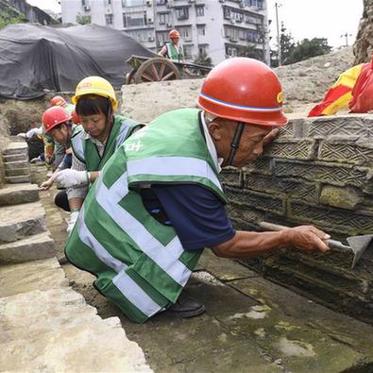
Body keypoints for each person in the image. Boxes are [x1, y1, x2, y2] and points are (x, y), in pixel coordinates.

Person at [64, 58, 330, 324]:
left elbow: (209, 154)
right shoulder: (188, 173)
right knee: (197, 234)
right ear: (217, 130)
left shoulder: (187, 120)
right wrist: (288, 237)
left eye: (262, 139)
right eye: (255, 141)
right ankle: (145, 291)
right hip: (105, 241)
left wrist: (253, 136)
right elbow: (226, 244)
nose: (259, 150)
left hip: (97, 225)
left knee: (193, 222)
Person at [52, 76, 143, 233]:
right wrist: (75, 215)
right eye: (84, 120)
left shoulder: (130, 132)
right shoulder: (80, 139)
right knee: (63, 198)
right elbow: (76, 184)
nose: (89, 126)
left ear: (109, 112)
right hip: (101, 196)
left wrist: (86, 177)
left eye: (95, 120)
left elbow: (133, 175)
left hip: (129, 197)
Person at [39, 106, 74, 212]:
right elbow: (66, 161)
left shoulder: (78, 139)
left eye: (54, 135)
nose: (55, 139)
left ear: (63, 127)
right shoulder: (69, 141)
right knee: (60, 198)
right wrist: (51, 180)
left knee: (63, 198)